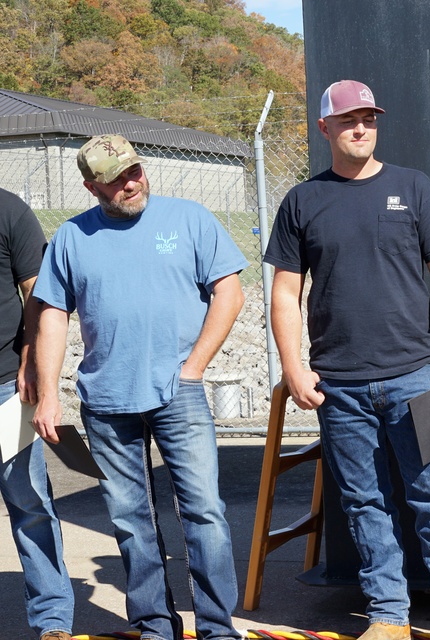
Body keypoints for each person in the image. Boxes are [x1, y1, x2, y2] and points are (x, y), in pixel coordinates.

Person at [264, 80, 430, 640]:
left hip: (417, 378)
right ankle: (388, 615)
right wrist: (294, 368)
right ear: (325, 129)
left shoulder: (414, 188)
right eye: (348, 119)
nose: (361, 127)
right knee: (364, 503)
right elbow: (285, 294)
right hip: (339, 387)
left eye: (369, 118)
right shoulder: (302, 201)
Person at [31, 134, 248, 640]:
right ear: (91, 186)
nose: (131, 183)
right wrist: (47, 393)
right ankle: (155, 626)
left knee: (204, 514)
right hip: (106, 402)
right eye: (116, 179)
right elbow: (53, 316)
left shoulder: (189, 218)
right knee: (130, 521)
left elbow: (229, 294)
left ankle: (218, 629)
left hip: (180, 393)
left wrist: (193, 367)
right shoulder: (70, 237)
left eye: (135, 171)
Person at [0, 188, 75, 640]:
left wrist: (32, 365)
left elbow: (38, 293)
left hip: (7, 384)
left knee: (28, 503)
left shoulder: (9, 209)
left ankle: (52, 619)